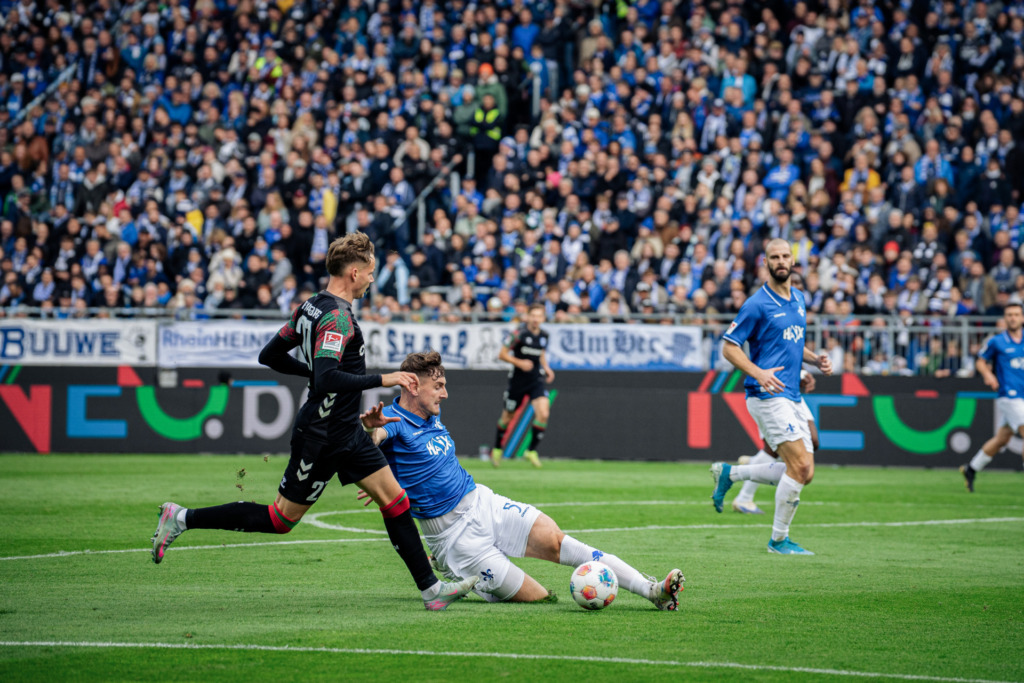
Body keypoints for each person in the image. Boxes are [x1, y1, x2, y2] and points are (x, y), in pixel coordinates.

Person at [150, 233, 478, 611]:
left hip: (346, 430)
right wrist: (381, 379)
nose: (372, 279)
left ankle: (431, 591)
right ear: (354, 272)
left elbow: (270, 354)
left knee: (396, 501)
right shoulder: (337, 316)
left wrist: (312, 373)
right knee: (280, 519)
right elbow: (325, 378)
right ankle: (181, 518)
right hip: (321, 435)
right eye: (370, 272)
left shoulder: (311, 306)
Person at [359, 350, 685, 609]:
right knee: (540, 597)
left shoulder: (431, 412)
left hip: (483, 503)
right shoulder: (395, 423)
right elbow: (374, 440)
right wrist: (370, 431)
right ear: (413, 387)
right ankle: (459, 571)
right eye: (438, 386)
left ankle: (652, 590)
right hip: (454, 539)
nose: (445, 394)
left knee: (559, 540)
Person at [710, 239, 833, 555]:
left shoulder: (799, 299)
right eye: (774, 257)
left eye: (785, 256)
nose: (781, 261)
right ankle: (778, 540)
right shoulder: (756, 304)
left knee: (806, 472)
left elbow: (792, 343)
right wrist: (758, 372)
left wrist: (815, 359)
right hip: (766, 393)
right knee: (800, 465)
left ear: (793, 261)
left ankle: (732, 473)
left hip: (791, 394)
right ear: (766, 262)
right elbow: (729, 347)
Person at [731, 370, 820, 514]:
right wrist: (799, 372)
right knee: (776, 451)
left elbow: (793, 350)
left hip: (791, 391)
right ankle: (744, 495)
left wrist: (804, 369)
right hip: (773, 390)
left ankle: (754, 464)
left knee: (811, 445)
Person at [960, 303, 1024, 492]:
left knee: (1002, 439)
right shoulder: (997, 341)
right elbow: (980, 361)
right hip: (1009, 395)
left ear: (1022, 318)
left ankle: (971, 469)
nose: (1012, 318)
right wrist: (988, 375)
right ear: (1005, 318)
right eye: (1009, 314)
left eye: (1016, 314)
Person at [491, 303, 555, 468]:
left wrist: (546, 368)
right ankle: (497, 448)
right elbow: (502, 354)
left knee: (544, 413)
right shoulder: (518, 334)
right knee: (507, 417)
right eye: (533, 315)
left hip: (536, 381)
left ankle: (531, 451)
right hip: (518, 382)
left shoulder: (544, 336)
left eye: (539, 316)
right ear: (527, 316)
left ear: (543, 318)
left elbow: (540, 353)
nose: (535, 319)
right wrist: (519, 363)